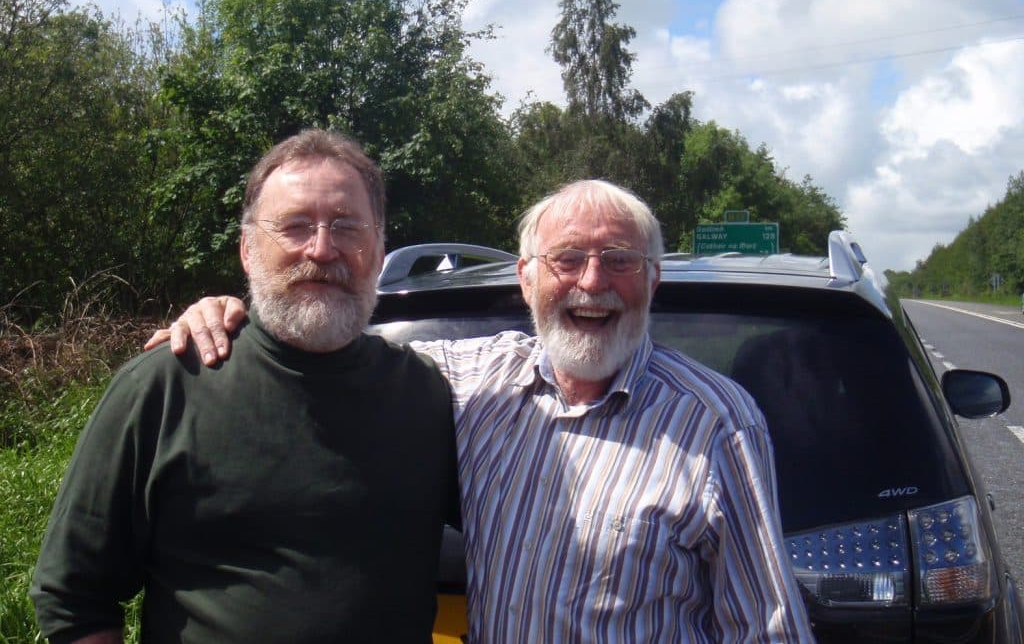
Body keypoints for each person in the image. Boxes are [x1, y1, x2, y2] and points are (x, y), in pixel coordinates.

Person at [148, 180, 815, 642]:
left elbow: (767, 627)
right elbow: (323, 340)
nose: (592, 282)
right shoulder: (470, 379)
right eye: (567, 259)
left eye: (619, 260)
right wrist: (229, 313)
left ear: (653, 278)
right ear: (526, 277)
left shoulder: (716, 420)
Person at [31, 130, 459, 644]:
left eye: (347, 227)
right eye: (294, 226)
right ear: (248, 252)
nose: (322, 250)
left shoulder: (429, 395)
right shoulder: (165, 388)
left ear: (380, 248)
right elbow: (74, 596)